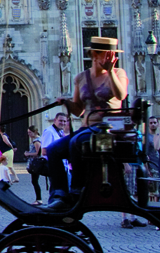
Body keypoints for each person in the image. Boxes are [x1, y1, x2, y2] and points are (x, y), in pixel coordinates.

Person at [43, 35, 129, 211]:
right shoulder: (81, 78)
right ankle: (59, 194)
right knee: (53, 150)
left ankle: (77, 190)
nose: (111, 57)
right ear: (95, 55)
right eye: (107, 54)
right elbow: (78, 110)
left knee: (76, 141)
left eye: (112, 54)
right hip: (87, 128)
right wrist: (67, 102)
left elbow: (121, 96)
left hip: (109, 129)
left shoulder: (119, 73)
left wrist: (111, 71)